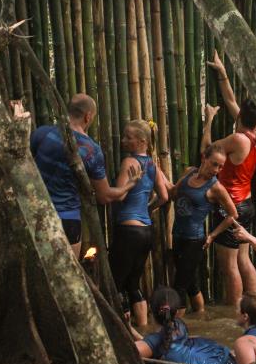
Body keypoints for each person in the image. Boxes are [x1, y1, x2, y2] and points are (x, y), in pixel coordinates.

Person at [30, 93, 139, 256]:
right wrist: (130, 184)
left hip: (34, 214)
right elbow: (105, 196)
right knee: (69, 276)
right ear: (88, 116)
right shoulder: (91, 150)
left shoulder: (42, 133)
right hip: (67, 220)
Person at [202, 52, 256, 304]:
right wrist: (222, 72)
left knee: (229, 265)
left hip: (231, 206)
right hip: (246, 204)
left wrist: (209, 121)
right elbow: (230, 100)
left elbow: (207, 151)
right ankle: (254, 302)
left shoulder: (236, 139)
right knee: (244, 259)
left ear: (240, 119)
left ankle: (236, 310)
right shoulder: (255, 135)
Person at [111, 120, 170, 326]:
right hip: (146, 231)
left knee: (116, 283)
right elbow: (163, 196)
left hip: (128, 230)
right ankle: (144, 330)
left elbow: (118, 195)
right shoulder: (153, 165)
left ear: (142, 141)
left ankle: (125, 332)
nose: (124, 140)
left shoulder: (129, 163)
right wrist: (148, 208)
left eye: (128, 137)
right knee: (133, 284)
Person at [171, 143, 238, 313]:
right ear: (204, 158)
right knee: (190, 283)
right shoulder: (189, 173)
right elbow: (173, 192)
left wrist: (212, 235)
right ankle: (200, 316)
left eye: (221, 167)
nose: (216, 170)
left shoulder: (216, 188)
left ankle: (176, 332)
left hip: (195, 240)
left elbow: (233, 214)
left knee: (179, 286)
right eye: (214, 164)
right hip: (178, 235)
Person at [134, 287, 236, 364]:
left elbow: (129, 353)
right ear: (177, 312)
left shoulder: (155, 340)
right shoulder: (179, 325)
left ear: (150, 309)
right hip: (222, 362)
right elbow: (154, 343)